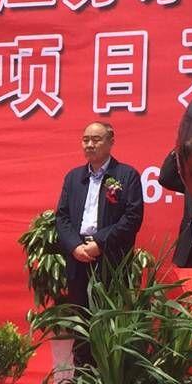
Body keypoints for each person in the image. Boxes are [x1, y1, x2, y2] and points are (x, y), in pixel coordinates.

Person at [53, 121, 144, 303]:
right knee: (80, 313)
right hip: (78, 258)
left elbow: (132, 218)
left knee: (110, 314)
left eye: (96, 140)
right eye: (85, 140)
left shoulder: (127, 175)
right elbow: (62, 217)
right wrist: (75, 246)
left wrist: (100, 243)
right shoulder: (73, 177)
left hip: (111, 258)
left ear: (111, 142)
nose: (89, 145)